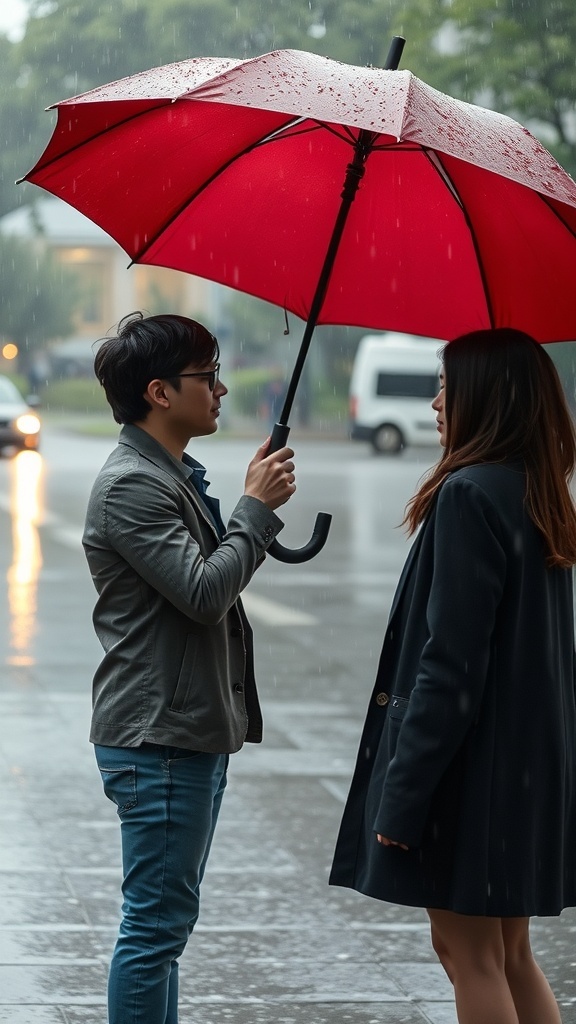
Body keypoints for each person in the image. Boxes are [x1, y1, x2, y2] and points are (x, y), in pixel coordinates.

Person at [330, 328, 576, 1024]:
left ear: (487, 398)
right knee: (509, 954)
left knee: (469, 955)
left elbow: (450, 665)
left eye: (447, 385)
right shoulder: (534, 489)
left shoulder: (468, 494)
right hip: (526, 766)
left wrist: (404, 794)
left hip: (475, 772)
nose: (436, 402)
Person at [82, 312, 296, 1024]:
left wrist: (246, 509)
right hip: (160, 738)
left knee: (163, 931)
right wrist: (255, 511)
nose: (223, 389)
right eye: (207, 377)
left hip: (181, 732)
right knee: (153, 932)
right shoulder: (131, 487)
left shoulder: (168, 475)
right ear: (160, 392)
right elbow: (205, 593)